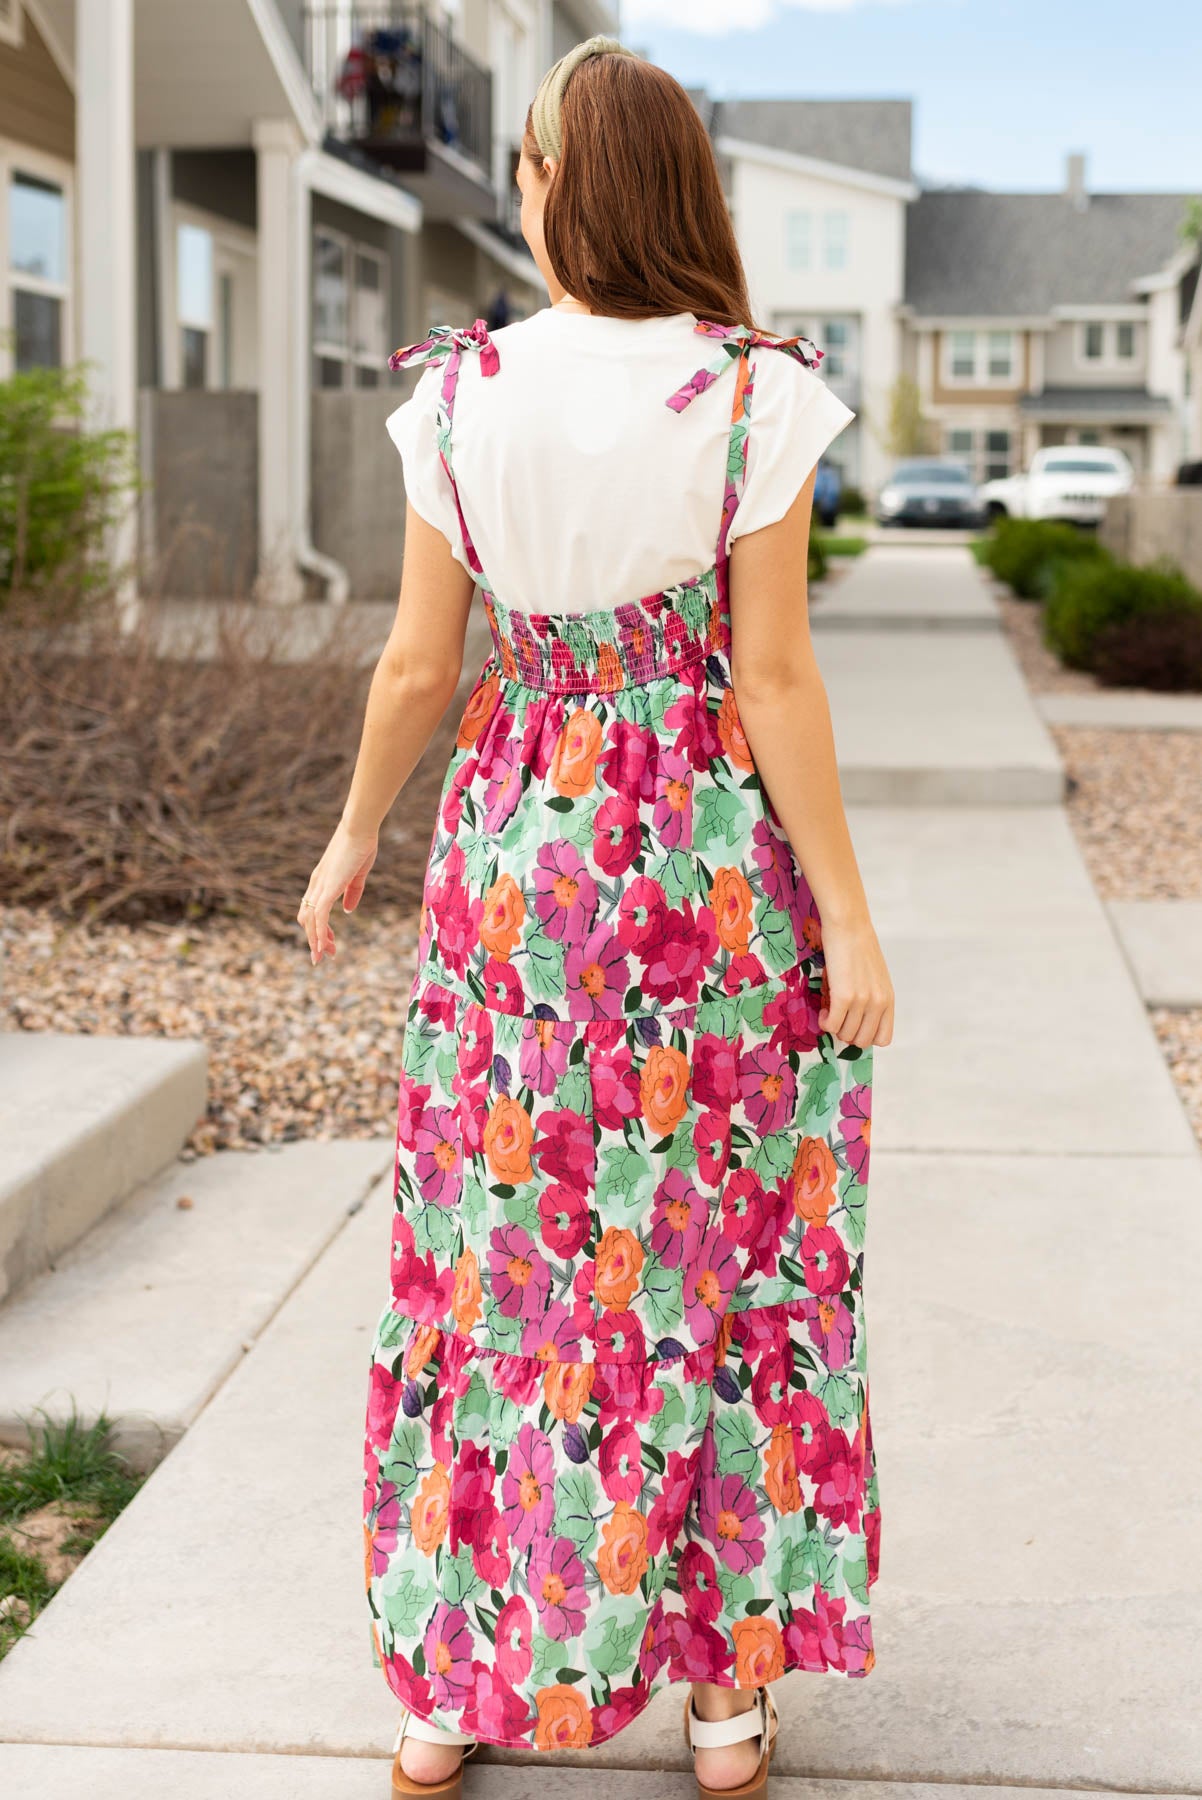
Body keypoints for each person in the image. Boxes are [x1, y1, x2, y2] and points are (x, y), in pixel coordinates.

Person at [297, 33, 894, 1800]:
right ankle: (720, 1703)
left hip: (517, 877)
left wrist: (351, 840)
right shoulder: (751, 392)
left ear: (566, 189)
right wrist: (847, 926)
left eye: (537, 167)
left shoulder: (457, 391)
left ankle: (456, 1688)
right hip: (702, 877)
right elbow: (772, 683)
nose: (524, 193)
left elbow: (422, 662)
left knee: (501, 1262)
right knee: (712, 1264)